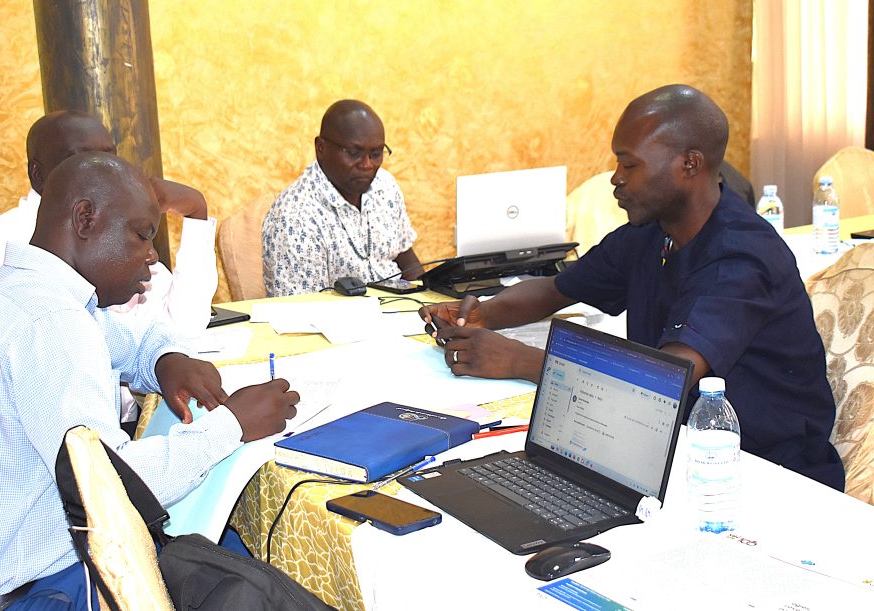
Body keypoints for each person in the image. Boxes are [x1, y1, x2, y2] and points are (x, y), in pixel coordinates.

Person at [0, 151, 299, 610]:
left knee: (231, 562)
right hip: (28, 592)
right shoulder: (49, 321)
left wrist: (165, 359)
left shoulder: (28, 289)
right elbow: (112, 488)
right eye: (141, 235)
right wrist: (233, 424)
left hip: (17, 570)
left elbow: (131, 340)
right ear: (85, 219)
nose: (151, 255)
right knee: (248, 574)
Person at [421, 85, 845, 491]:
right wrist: (481, 314)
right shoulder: (652, 234)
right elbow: (555, 290)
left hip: (761, 471)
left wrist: (519, 360)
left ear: (689, 165)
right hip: (658, 447)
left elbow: (661, 384)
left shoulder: (742, 257)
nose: (615, 179)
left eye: (630, 165)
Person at [0, 111, 219, 417]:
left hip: (120, 423)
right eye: (81, 158)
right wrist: (17, 418)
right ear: (38, 174)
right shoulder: (2, 242)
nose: (99, 169)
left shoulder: (115, 228)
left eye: (108, 156)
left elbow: (183, 327)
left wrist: (196, 213)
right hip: (74, 435)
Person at [262, 99, 421, 296]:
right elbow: (301, 309)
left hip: (402, 310)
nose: (367, 165)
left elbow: (408, 262)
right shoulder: (294, 218)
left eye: (376, 153)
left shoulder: (385, 185)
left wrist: (429, 300)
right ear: (321, 148)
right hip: (340, 315)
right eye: (354, 153)